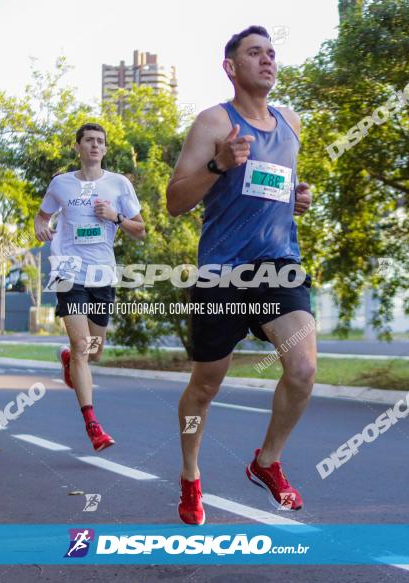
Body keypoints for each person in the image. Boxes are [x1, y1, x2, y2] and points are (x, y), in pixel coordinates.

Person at [166, 26, 315, 525]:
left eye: (272, 53)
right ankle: (190, 476)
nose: (267, 60)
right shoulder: (213, 121)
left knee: (304, 369)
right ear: (231, 67)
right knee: (205, 387)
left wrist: (299, 199)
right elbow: (175, 201)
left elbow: (277, 187)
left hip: (278, 264)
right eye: (255, 53)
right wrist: (218, 162)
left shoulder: (290, 123)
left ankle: (266, 462)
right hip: (222, 272)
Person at [34, 122, 146, 452]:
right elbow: (43, 216)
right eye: (89, 141)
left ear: (105, 149)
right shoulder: (61, 184)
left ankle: (70, 358)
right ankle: (93, 424)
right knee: (83, 345)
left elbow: (140, 230)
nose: (95, 146)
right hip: (68, 270)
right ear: (78, 147)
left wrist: (114, 217)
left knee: (94, 350)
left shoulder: (119, 185)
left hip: (102, 275)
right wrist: (42, 226)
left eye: (100, 142)